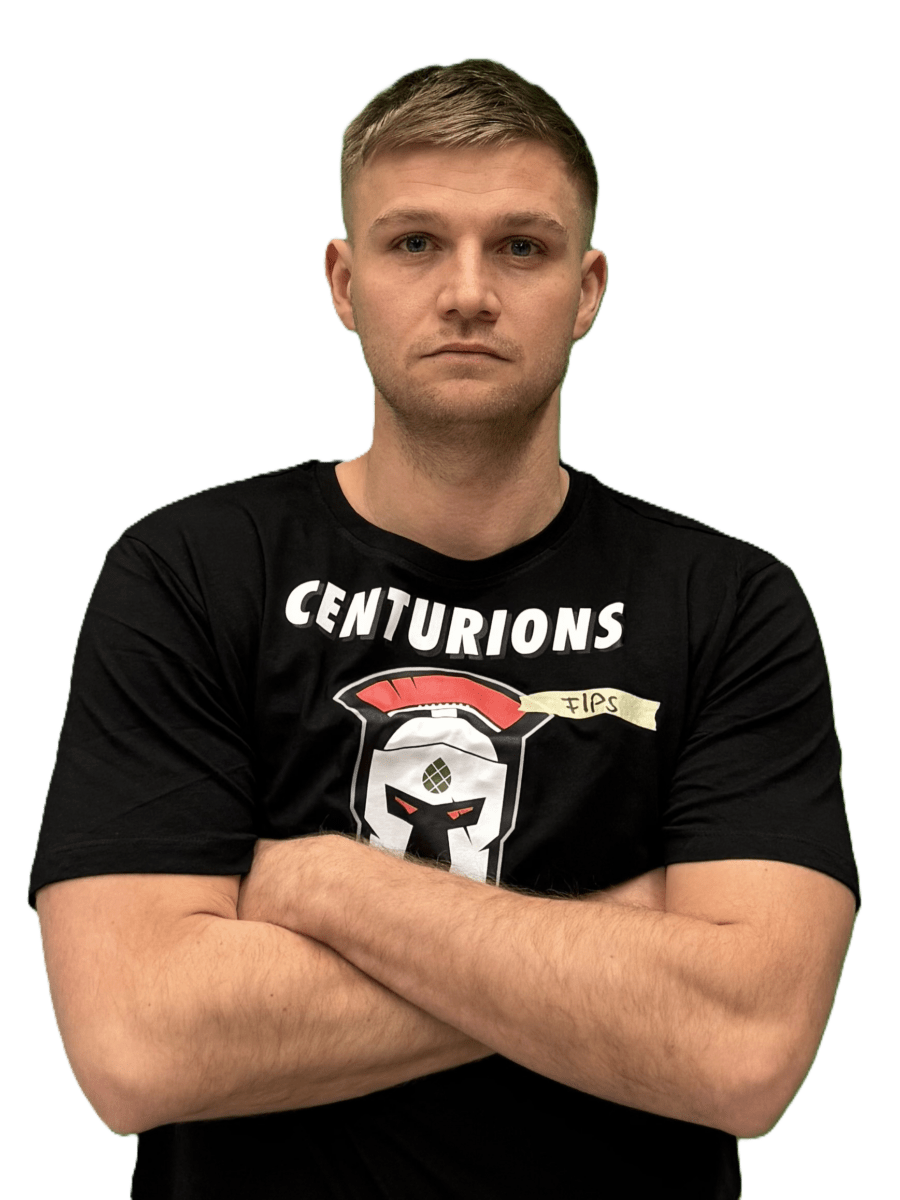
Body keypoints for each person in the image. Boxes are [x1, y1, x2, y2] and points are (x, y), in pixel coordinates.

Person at [28, 57, 859, 1199]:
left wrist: (326, 884)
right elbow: (137, 1048)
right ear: (344, 281)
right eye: (414, 242)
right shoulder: (191, 575)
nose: (468, 292)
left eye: (522, 247)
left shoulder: (728, 603)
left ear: (589, 289)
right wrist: (621, 945)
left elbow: (746, 1052)